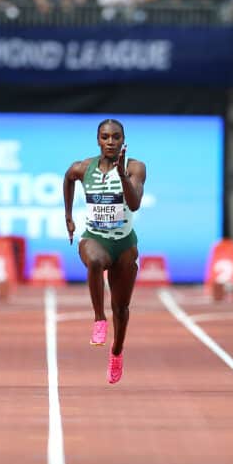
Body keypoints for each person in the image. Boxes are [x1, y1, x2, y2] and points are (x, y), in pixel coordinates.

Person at [63, 119, 146, 384]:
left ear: (123, 140)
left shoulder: (135, 167)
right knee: (95, 261)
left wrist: (121, 174)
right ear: (98, 140)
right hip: (94, 238)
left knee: (121, 308)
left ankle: (117, 352)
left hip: (123, 244)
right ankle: (99, 320)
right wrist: (68, 216)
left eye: (116, 137)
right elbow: (68, 177)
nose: (110, 142)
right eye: (105, 137)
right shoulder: (84, 167)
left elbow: (134, 204)